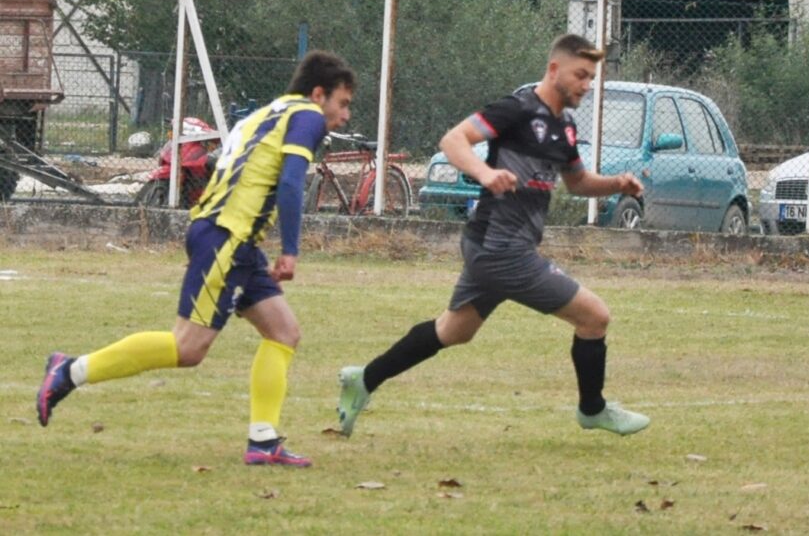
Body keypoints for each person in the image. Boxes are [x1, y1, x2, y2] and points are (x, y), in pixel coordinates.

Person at [35, 51, 356, 467]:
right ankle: (70, 371)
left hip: (234, 239)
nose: (345, 115)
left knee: (283, 332)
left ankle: (263, 441)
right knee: (187, 347)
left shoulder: (270, 113)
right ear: (318, 94)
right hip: (226, 237)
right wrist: (291, 250)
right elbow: (292, 183)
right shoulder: (307, 116)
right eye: (342, 103)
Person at [337, 34, 649, 438]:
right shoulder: (517, 109)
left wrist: (616, 184)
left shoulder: (565, 128)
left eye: (591, 77)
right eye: (581, 75)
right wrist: (484, 173)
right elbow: (453, 140)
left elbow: (577, 182)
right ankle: (593, 409)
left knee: (454, 331)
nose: (587, 85)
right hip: (503, 249)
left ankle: (364, 379)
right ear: (554, 69)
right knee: (594, 316)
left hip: (492, 246)